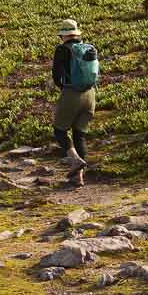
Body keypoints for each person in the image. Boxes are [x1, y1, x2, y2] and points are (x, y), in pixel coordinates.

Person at [51, 19, 99, 184]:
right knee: (80, 136)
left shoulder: (62, 50)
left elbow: (57, 77)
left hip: (72, 94)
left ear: (62, 36)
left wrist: (64, 88)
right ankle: (79, 178)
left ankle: (75, 160)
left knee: (60, 131)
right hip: (90, 95)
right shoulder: (88, 48)